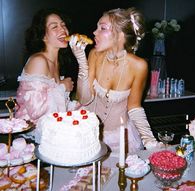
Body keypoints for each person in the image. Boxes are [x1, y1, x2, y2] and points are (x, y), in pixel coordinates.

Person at [70, 7, 161, 154]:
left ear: (120, 35)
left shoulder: (139, 66)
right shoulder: (94, 54)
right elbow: (84, 99)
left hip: (121, 139)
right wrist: (81, 62)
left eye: (102, 28)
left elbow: (134, 107)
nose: (94, 32)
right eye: (97, 27)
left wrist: (149, 140)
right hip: (88, 135)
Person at [15, 8, 80, 142]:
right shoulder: (39, 61)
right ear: (43, 36)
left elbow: (57, 106)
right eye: (54, 27)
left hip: (51, 132)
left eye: (63, 25)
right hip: (33, 137)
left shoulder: (57, 62)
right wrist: (62, 87)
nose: (62, 29)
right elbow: (36, 109)